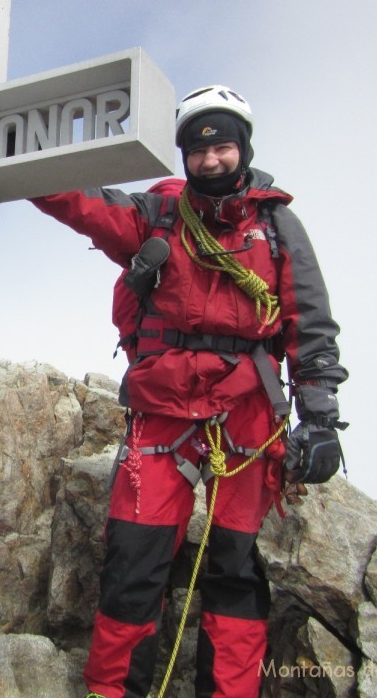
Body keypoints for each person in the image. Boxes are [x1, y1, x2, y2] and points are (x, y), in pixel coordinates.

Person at [31, 86, 348, 698]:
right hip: (162, 409)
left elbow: (308, 320)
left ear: (243, 148)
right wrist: (21, 154)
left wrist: (321, 420)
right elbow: (81, 202)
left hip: (248, 412)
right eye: (197, 152)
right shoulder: (157, 216)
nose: (210, 162)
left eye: (223, 146)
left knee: (234, 565)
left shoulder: (278, 226)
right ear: (184, 158)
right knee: (133, 560)